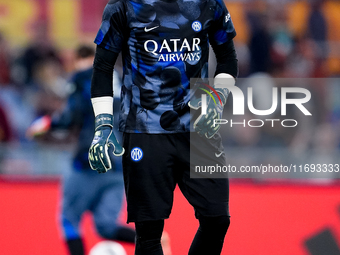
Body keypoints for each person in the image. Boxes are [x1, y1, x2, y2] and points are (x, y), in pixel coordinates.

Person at [88, 0, 238, 254]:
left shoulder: (208, 3)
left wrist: (218, 98)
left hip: (198, 130)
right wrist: (103, 124)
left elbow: (227, 58)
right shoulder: (123, 6)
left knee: (217, 219)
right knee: (148, 233)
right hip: (144, 130)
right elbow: (102, 67)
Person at [27, 45, 135, 255]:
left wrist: (47, 124)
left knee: (69, 220)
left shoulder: (82, 78)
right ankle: (154, 242)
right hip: (118, 165)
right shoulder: (121, 77)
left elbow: (70, 117)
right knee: (106, 225)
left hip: (89, 161)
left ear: (79, 60)